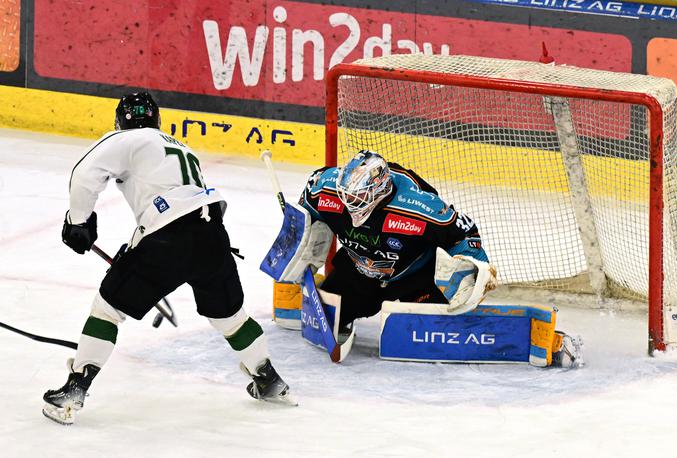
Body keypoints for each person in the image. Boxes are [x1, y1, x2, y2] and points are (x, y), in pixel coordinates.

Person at [43, 92, 293, 425]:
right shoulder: (180, 147)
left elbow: (85, 173)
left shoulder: (127, 138)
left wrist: (79, 222)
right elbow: (180, 202)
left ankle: (74, 389)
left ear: (120, 122)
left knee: (107, 309)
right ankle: (269, 380)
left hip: (168, 238)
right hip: (212, 234)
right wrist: (136, 246)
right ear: (158, 120)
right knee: (231, 318)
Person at [298, 149, 497, 333]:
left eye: (358, 197)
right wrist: (296, 243)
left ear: (378, 189)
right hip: (358, 271)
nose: (350, 203)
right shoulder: (326, 189)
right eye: (346, 195)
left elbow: (463, 233)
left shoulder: (419, 208)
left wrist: (473, 272)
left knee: (437, 333)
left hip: (412, 278)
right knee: (321, 318)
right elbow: (304, 208)